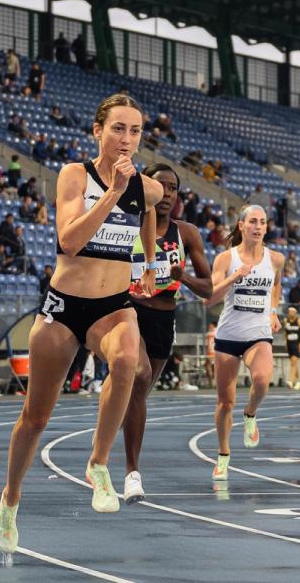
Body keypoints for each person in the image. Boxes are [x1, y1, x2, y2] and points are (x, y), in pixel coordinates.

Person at [0, 93, 162, 557]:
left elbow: (148, 210)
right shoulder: (74, 175)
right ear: (97, 132)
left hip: (113, 303)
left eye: (135, 131)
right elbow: (68, 240)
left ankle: (98, 463)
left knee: (129, 360)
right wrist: (111, 193)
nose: (127, 139)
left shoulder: (147, 187)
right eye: (118, 129)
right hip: (64, 305)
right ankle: (10, 498)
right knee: (35, 417)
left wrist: (147, 262)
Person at [120, 163, 212, 503]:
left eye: (173, 188)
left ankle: (115, 418)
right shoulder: (126, 225)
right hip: (128, 311)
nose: (168, 193)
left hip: (163, 319)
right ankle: (132, 472)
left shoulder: (186, 234)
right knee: (140, 374)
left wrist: (182, 276)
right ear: (145, 187)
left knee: (138, 393)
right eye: (161, 186)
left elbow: (208, 288)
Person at [205, 205, 285, 480]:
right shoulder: (225, 259)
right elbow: (209, 299)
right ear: (241, 226)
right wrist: (234, 277)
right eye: (253, 221)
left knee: (262, 379)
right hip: (228, 336)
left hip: (258, 334)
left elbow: (276, 286)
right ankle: (223, 455)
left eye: (263, 222)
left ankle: (250, 413)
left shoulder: (275, 259)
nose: (259, 226)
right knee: (225, 402)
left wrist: (273, 311)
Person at [282, 307, 300, 390]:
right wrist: (285, 342)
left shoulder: (299, 321)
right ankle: (299, 381)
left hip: (296, 344)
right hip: (289, 344)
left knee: (294, 362)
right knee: (293, 363)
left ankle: (290, 381)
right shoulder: (285, 321)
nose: (290, 313)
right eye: (289, 312)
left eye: (291, 312)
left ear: (295, 312)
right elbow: (285, 332)